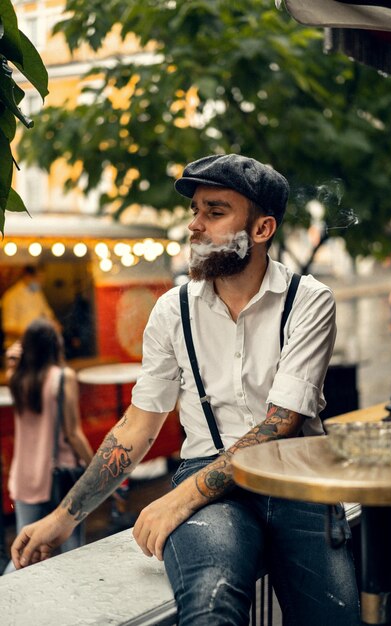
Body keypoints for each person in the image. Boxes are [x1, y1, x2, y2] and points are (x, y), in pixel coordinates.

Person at [10, 155, 360, 625]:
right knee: (209, 609)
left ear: (262, 229)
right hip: (213, 489)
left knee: (334, 619)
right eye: (194, 211)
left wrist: (178, 497)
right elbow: (136, 426)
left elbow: (282, 422)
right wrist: (64, 517)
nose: (195, 225)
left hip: (295, 475)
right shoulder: (172, 310)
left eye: (215, 213)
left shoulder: (309, 300)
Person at [4, 319, 93, 573]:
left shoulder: (17, 379)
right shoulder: (64, 377)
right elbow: (73, 433)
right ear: (56, 343)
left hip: (24, 477)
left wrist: (12, 359)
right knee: (72, 552)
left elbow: (12, 366)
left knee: (24, 553)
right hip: (61, 475)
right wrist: (96, 466)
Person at [1, 265, 59, 351]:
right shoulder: (12, 296)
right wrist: (32, 333)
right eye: (39, 278)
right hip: (18, 348)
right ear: (27, 277)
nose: (42, 282)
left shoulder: (37, 293)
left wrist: (55, 326)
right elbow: (8, 327)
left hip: (37, 347)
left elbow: (47, 314)